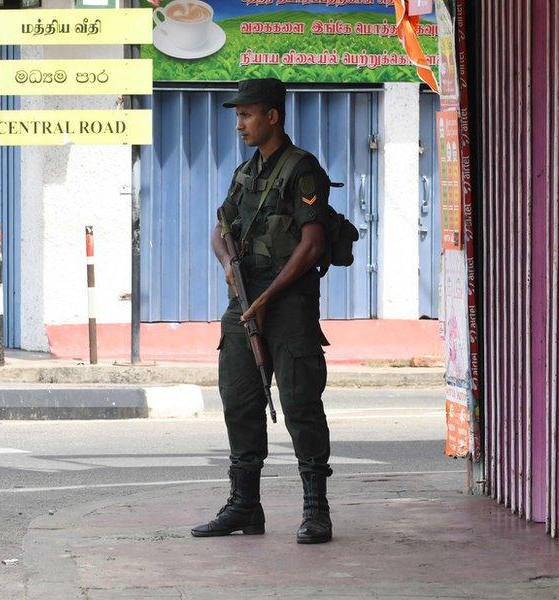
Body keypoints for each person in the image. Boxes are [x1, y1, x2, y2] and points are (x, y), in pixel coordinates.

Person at [191, 78, 333, 544]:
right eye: (238, 115)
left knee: (300, 405)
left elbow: (312, 245)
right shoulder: (244, 173)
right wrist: (229, 264)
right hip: (244, 304)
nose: (239, 124)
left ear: (272, 116)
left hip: (287, 305)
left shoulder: (302, 170)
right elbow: (220, 228)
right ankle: (245, 506)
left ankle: (316, 510)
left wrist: (269, 297)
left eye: (247, 114)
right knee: (240, 402)